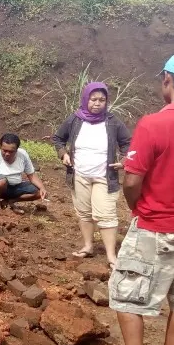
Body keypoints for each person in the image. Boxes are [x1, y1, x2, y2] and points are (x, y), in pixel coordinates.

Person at [110, 52, 174, 345]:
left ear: (167, 79)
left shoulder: (153, 124)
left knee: (126, 297)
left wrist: (137, 207)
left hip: (157, 226)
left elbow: (131, 181)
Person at [52, 82, 132, 267]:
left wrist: (126, 160)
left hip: (105, 176)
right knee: (84, 213)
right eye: (93, 99)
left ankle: (111, 256)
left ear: (106, 102)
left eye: (102, 100)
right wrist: (63, 154)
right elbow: (58, 138)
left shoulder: (112, 121)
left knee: (106, 214)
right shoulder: (75, 119)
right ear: (86, 99)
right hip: (79, 174)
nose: (97, 103)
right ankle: (88, 246)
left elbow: (128, 142)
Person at [0, 133, 47, 212]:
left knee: (40, 192)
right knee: (2, 181)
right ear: (0, 147)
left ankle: (10, 201)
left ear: (17, 149)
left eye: (11, 151)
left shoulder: (23, 155)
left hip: (14, 187)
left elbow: (31, 175)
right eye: (4, 150)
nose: (7, 154)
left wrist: (42, 188)